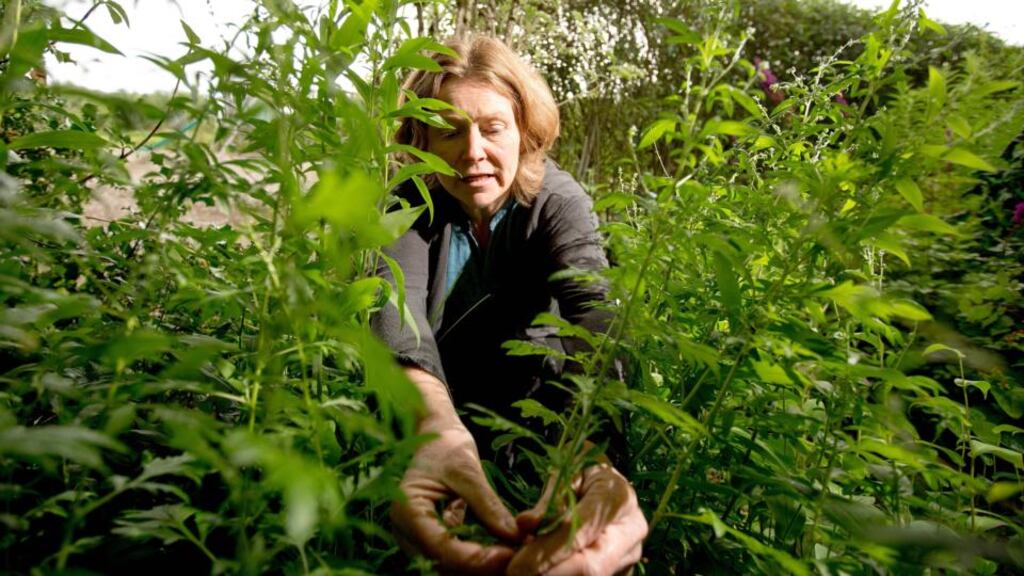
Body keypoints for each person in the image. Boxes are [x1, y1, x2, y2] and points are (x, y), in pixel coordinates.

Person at [372, 34, 647, 575]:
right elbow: (394, 311)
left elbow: (594, 314)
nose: (472, 151)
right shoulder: (408, 201)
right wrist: (438, 429)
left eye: (493, 128)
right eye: (450, 131)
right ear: (423, 139)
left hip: (532, 418)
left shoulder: (557, 202)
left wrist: (589, 455)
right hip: (438, 411)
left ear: (524, 130)